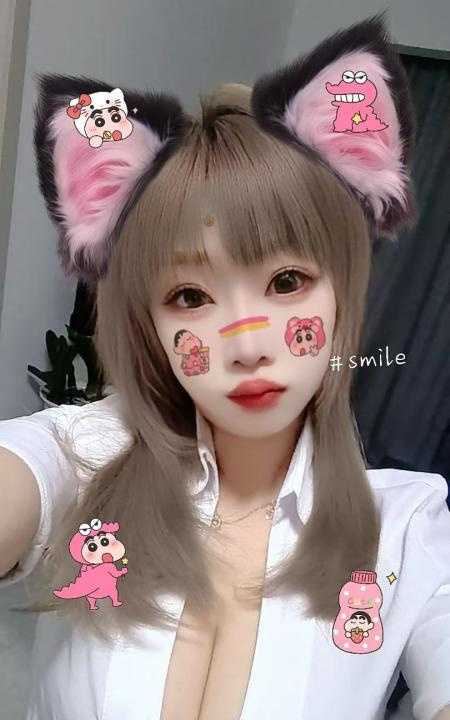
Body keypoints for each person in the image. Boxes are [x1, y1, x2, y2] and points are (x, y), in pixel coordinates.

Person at [1, 11, 450, 720]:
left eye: (286, 282)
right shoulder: (87, 455)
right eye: (190, 296)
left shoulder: (405, 526)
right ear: (150, 323)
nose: (247, 344)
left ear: (342, 292)